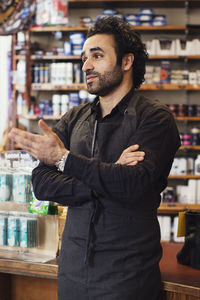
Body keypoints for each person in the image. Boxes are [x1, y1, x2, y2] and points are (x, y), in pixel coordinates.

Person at [9, 16, 180, 300]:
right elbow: (42, 184)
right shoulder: (74, 118)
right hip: (72, 275)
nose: (86, 66)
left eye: (97, 56)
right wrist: (110, 175)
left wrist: (65, 161)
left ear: (126, 62)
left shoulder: (154, 119)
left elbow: (135, 185)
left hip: (127, 279)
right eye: (84, 58)